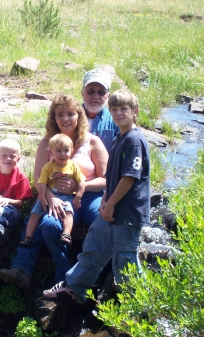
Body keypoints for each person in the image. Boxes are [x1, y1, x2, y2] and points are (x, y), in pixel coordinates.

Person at [42, 89, 151, 304]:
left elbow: (129, 178)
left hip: (127, 211)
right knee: (94, 245)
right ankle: (74, 286)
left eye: (124, 109)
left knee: (125, 259)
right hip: (110, 205)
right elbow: (112, 175)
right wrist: (105, 200)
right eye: (114, 110)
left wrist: (110, 203)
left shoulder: (135, 140)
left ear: (135, 112)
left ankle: (138, 305)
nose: (118, 114)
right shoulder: (120, 137)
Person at [0, 93, 109, 287]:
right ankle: (64, 276)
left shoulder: (92, 142)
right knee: (49, 224)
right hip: (57, 196)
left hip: (90, 196)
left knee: (104, 221)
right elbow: (39, 178)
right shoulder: (46, 143)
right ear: (53, 118)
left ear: (79, 116)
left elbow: (106, 179)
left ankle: (96, 274)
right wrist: (50, 196)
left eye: (70, 114)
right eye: (60, 114)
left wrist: (80, 186)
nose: (65, 119)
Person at [19, 133, 86, 248]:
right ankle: (28, 237)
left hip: (67, 195)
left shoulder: (73, 166)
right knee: (35, 214)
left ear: (71, 151)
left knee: (68, 213)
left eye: (66, 150)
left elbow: (81, 182)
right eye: (58, 151)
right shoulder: (48, 167)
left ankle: (66, 234)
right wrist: (42, 196)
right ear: (51, 152)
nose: (62, 154)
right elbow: (42, 183)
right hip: (50, 194)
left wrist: (78, 197)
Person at [82, 68, 120, 152]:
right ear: (82, 93)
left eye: (101, 92)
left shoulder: (116, 120)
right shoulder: (69, 117)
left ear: (108, 96)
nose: (95, 96)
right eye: (91, 91)